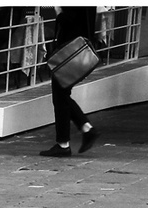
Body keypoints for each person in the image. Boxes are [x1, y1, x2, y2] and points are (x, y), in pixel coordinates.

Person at [40, 6, 100, 156]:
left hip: (68, 50)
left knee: (60, 95)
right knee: (62, 94)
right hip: (78, 48)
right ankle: (85, 129)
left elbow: (67, 19)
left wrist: (58, 10)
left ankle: (64, 143)